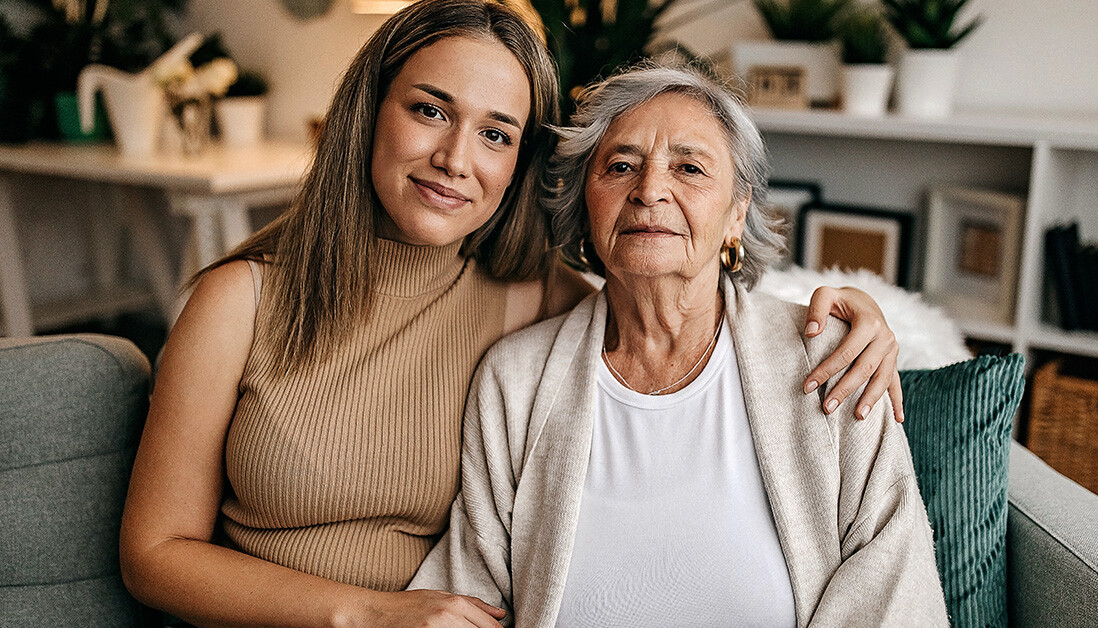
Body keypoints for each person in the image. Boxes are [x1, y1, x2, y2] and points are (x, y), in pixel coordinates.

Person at [119, 1, 906, 626]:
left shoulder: (524, 303)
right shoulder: (240, 301)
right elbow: (152, 554)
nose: (457, 159)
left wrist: (856, 317)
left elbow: (662, 287)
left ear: (518, 166)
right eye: (430, 111)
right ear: (368, 113)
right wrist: (365, 615)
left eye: (496, 134)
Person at [409, 63, 948, 627]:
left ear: (736, 214)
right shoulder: (515, 381)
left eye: (688, 167)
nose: (650, 191)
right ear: (585, 204)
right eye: (621, 167)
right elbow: (470, 595)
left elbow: (891, 584)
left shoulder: (829, 357)